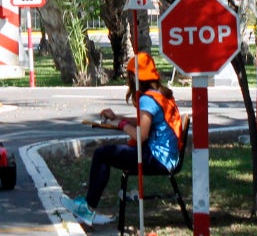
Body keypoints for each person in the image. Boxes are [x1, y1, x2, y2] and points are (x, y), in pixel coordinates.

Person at [61, 52, 183, 225]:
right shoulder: (160, 94)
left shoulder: (147, 100)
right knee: (105, 153)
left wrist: (121, 125)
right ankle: (88, 207)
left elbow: (141, 135)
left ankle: (88, 208)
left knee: (102, 154)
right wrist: (117, 117)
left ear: (135, 78)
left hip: (157, 159)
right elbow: (144, 122)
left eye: (129, 76)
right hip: (166, 157)